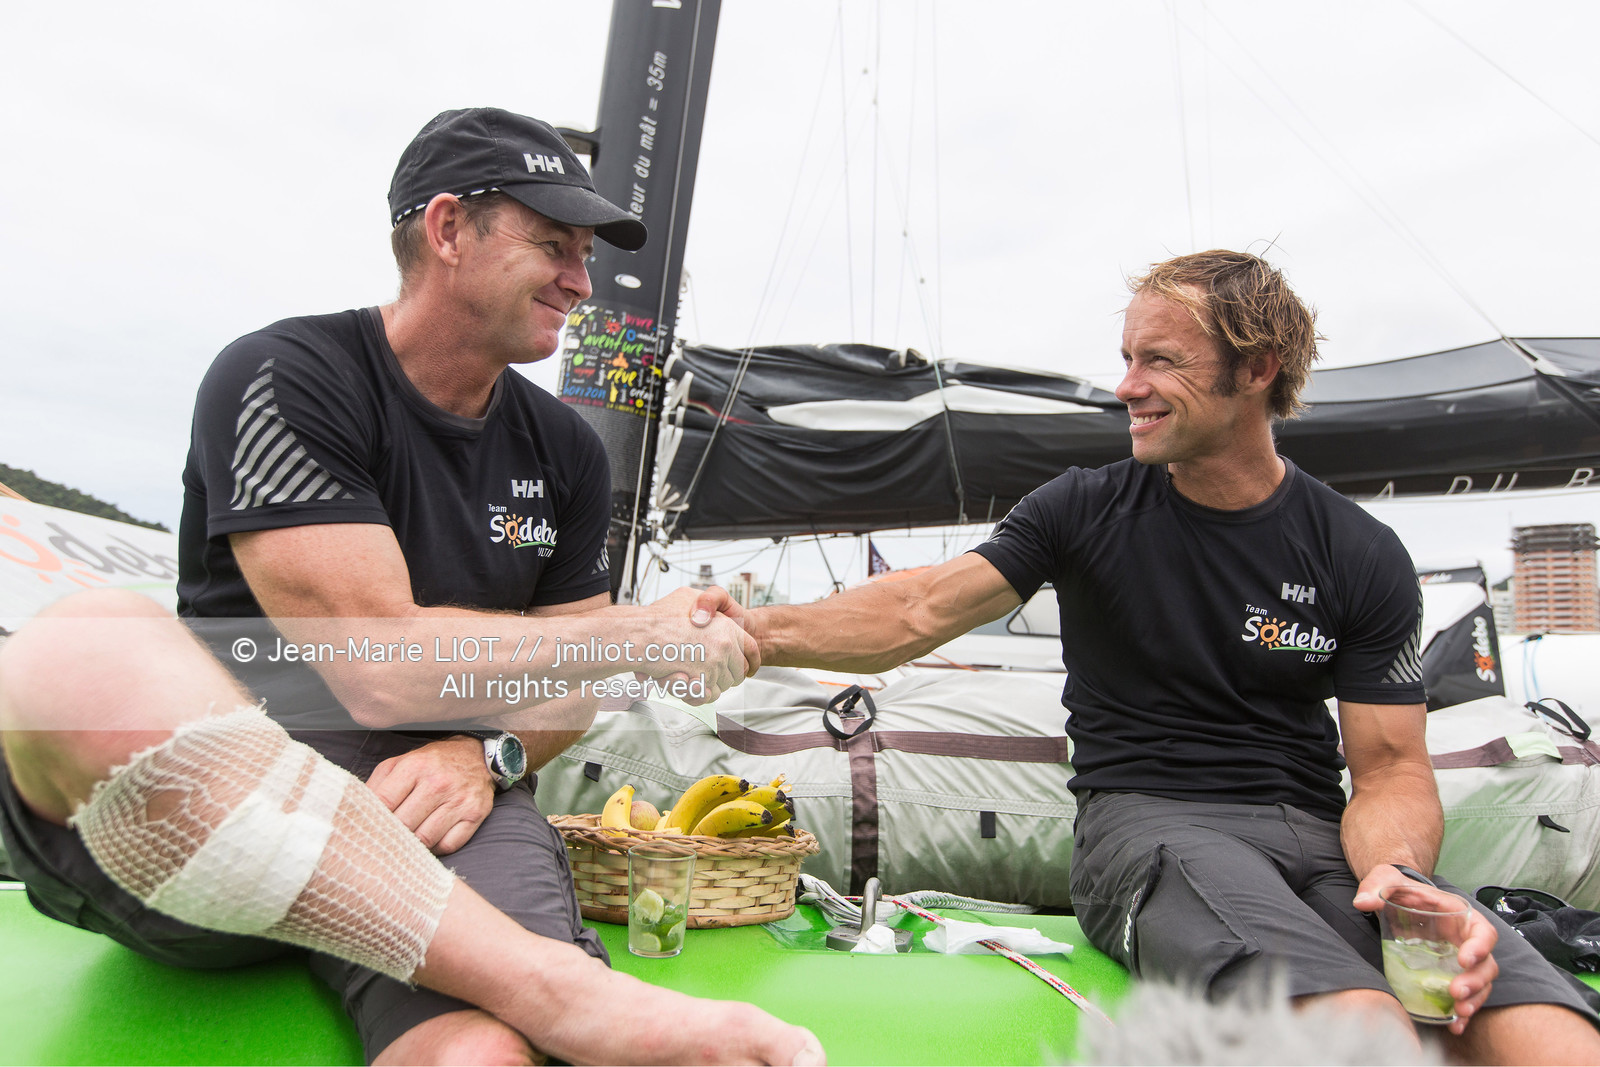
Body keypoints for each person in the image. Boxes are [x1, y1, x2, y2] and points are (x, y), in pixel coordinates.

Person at [0, 106, 820, 1066]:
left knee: (479, 1054)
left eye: (586, 254)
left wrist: (493, 758)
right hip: (236, 811)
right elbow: (375, 665)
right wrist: (642, 633)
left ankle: (526, 991)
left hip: (441, 807)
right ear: (445, 231)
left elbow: (575, 687)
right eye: (553, 244)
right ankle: (555, 989)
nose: (581, 281)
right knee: (82, 648)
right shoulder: (281, 374)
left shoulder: (564, 449)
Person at [730, 250, 1600, 1063]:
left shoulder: (1358, 551)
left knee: (1544, 1030)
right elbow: (916, 610)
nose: (1126, 387)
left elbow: (1391, 772)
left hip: (1324, 838)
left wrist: (1402, 880)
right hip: (1152, 823)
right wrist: (749, 631)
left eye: (1160, 362)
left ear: (1256, 370)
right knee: (1363, 1029)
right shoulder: (1082, 509)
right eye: (1126, 357)